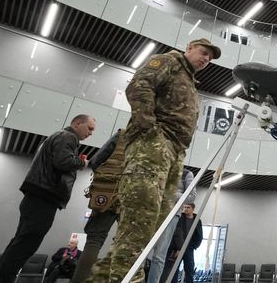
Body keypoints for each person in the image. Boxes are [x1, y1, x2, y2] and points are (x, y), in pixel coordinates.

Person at [90, 38, 220, 283]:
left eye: (210, 58)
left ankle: (104, 277)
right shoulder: (170, 62)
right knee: (142, 216)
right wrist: (150, 130)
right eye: (203, 52)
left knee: (156, 224)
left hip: (174, 152)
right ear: (189, 48)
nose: (206, 59)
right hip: (154, 146)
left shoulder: (190, 80)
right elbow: (139, 86)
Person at [0, 115, 94, 283]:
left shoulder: (60, 136)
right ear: (77, 124)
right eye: (89, 128)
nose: (91, 133)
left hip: (37, 196)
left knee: (19, 243)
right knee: (25, 246)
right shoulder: (68, 136)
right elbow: (62, 161)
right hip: (44, 196)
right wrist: (81, 163)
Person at [70, 131, 123, 283]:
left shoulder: (123, 135)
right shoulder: (162, 140)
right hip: (140, 200)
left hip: (109, 195)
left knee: (94, 240)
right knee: (128, 246)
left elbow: (95, 161)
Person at [147, 167, 197, 283]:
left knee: (159, 256)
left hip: (171, 215)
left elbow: (191, 196)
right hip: (149, 211)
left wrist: (167, 193)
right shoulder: (157, 167)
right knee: (139, 251)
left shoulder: (186, 174)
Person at [159, 203, 203, 283]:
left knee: (189, 268)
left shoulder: (197, 220)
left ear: (193, 209)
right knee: (174, 269)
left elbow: (199, 234)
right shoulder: (179, 218)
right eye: (184, 207)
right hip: (177, 247)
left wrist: (194, 246)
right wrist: (177, 248)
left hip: (189, 248)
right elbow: (175, 233)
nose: (185, 209)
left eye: (188, 207)